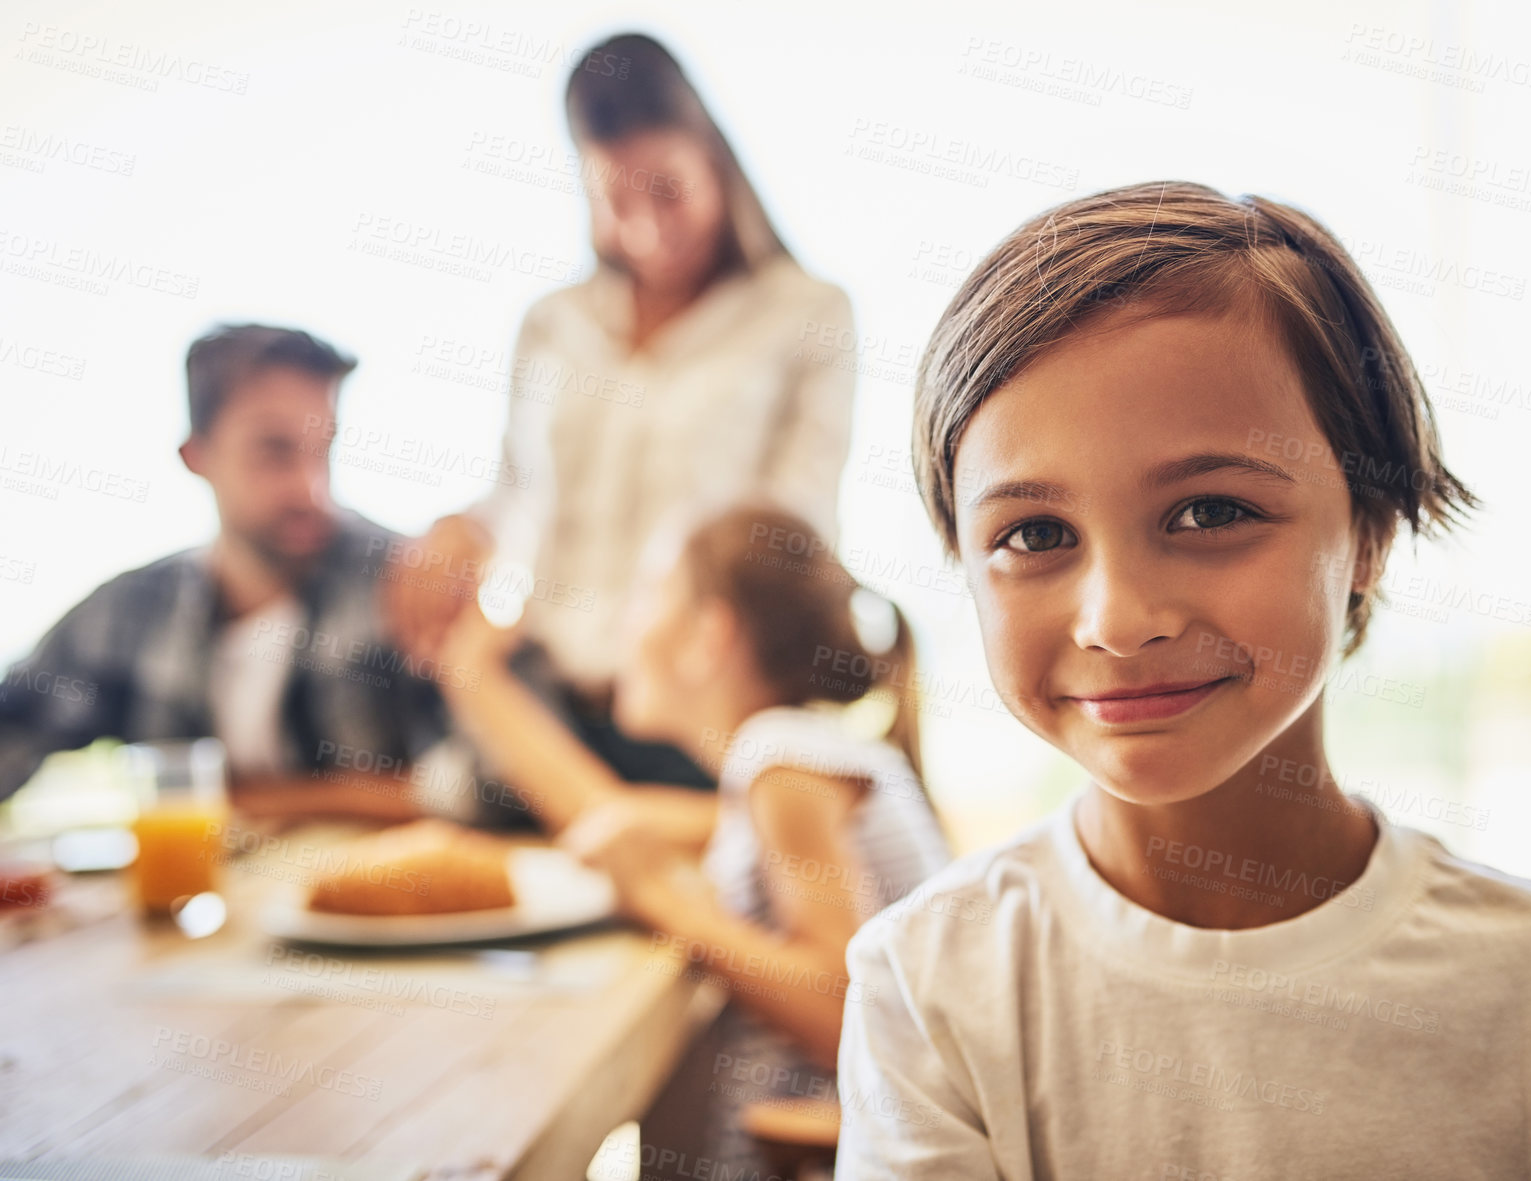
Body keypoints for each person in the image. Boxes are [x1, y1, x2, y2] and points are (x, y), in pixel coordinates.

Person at [834, 182, 1531, 1177]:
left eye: (1208, 512)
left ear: (1368, 529)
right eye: (1033, 533)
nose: (1115, 618)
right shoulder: (929, 980)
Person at [388, 32, 858, 794]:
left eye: (667, 190)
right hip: (547, 702)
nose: (643, 228)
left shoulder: (806, 314)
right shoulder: (551, 323)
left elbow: (794, 526)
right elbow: (519, 491)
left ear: (714, 157)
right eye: (614, 199)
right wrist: (465, 529)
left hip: (704, 718)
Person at [433, 504, 952, 1177]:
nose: (625, 621)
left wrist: (660, 898)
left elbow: (838, 1008)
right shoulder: (794, 758)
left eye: (649, 592)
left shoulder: (781, 757)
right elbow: (614, 816)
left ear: (710, 634)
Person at [0, 323, 456, 821]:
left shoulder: (403, 584)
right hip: (191, 896)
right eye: (274, 451)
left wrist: (255, 800)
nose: (311, 489)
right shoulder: (129, 614)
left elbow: (489, 781)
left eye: (322, 449)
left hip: (382, 890)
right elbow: (14, 729)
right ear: (197, 456)